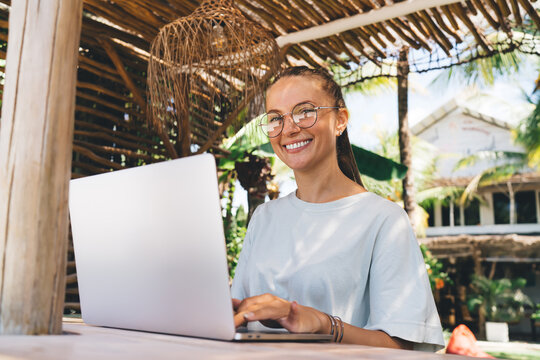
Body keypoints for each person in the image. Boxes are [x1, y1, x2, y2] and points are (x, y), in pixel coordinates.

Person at [230, 66, 445, 351]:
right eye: (275, 119)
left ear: (340, 120)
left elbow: (403, 347)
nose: (289, 128)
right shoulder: (264, 217)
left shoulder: (383, 219)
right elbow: (238, 318)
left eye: (304, 111)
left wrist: (323, 323)